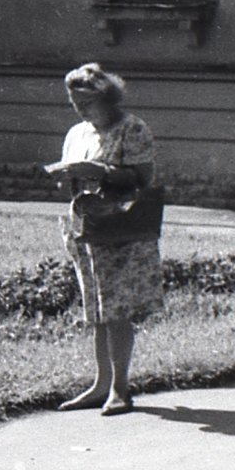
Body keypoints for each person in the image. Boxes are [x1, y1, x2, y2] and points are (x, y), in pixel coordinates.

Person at [46, 63, 160, 417]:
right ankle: (99, 385)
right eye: (74, 103)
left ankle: (120, 390)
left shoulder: (132, 128)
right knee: (96, 310)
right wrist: (68, 176)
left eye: (86, 103)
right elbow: (71, 176)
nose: (80, 110)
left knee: (117, 310)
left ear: (107, 98)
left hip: (121, 229)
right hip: (87, 226)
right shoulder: (77, 133)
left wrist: (103, 172)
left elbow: (144, 179)